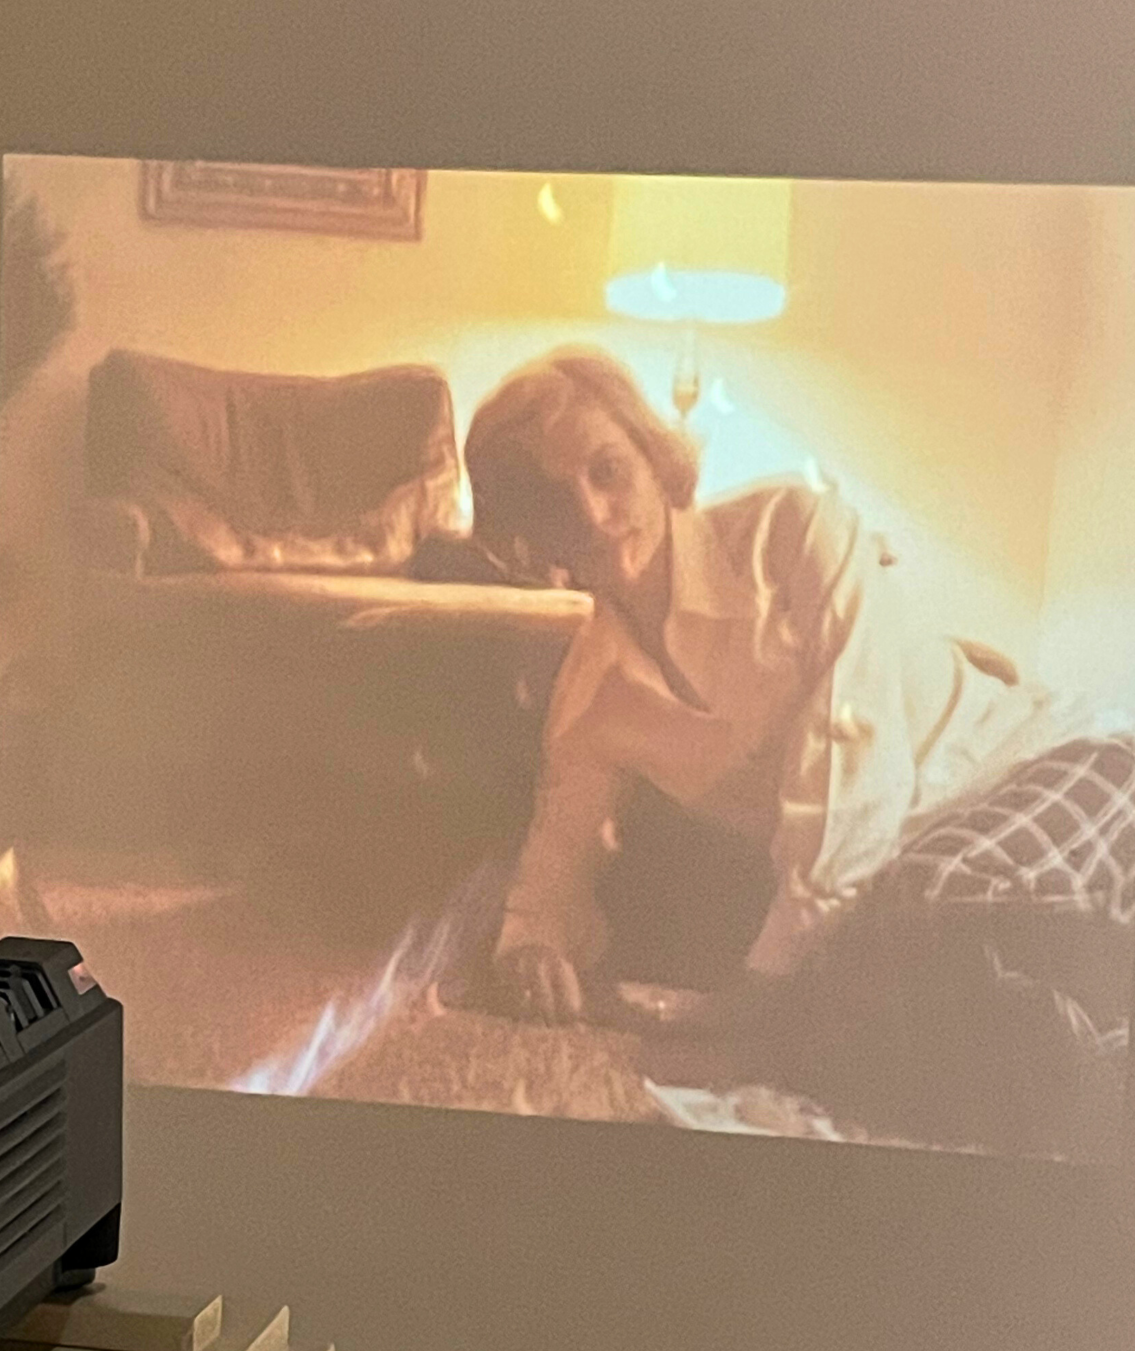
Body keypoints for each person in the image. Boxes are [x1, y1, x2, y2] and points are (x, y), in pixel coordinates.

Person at [465, 351, 1134, 1153]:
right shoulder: (589, 696)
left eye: (608, 470)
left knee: (909, 915)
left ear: (653, 454)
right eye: (552, 498)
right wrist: (530, 950)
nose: (594, 513)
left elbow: (850, 769)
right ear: (526, 530)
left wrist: (758, 992)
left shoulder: (793, 531)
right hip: (895, 893)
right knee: (902, 978)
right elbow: (555, 861)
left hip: (1062, 762)